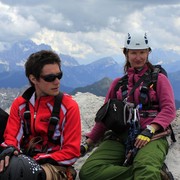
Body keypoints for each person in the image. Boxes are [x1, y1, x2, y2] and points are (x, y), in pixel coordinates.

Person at [79, 32, 176, 180]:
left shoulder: (159, 79)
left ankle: (145, 172)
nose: (138, 57)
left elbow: (169, 109)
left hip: (152, 135)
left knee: (146, 168)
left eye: (142, 52)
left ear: (148, 52)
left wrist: (151, 129)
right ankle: (148, 174)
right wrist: (89, 143)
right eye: (134, 53)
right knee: (89, 171)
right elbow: (105, 116)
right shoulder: (118, 84)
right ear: (126, 53)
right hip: (120, 135)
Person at [0, 50, 81, 180]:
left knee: (24, 172)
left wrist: (36, 160)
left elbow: (71, 152)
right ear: (33, 79)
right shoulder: (20, 104)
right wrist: (9, 150)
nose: (57, 82)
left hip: (55, 165)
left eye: (59, 75)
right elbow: (12, 137)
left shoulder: (68, 107)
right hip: (26, 158)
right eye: (50, 78)